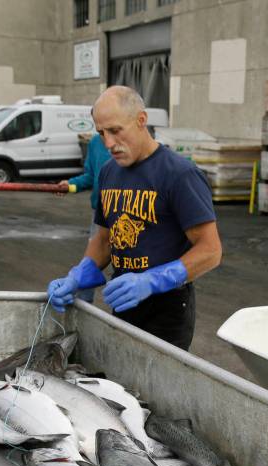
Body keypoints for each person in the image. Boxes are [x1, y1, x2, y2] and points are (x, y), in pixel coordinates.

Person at [45, 86, 222, 351]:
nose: (108, 143)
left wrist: (151, 281)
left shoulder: (179, 174)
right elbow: (105, 239)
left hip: (167, 309)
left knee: (156, 389)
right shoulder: (108, 172)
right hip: (123, 300)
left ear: (141, 120)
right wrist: (79, 274)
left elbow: (210, 251)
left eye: (115, 131)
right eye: (101, 133)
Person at [56, 131, 111, 211]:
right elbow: (91, 176)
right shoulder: (95, 142)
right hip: (99, 211)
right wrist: (70, 184)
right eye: (99, 130)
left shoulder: (129, 141)